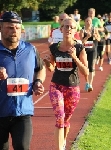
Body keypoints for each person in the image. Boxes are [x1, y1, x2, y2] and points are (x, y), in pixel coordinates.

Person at [0, 11, 46, 150]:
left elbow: (40, 68)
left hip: (23, 112)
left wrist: (38, 82)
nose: (14, 31)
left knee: (22, 146)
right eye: (9, 27)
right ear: (1, 28)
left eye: (17, 28)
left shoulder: (30, 49)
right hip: (1, 112)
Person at [44, 17, 89, 150]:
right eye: (66, 26)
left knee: (66, 120)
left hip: (72, 88)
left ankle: (62, 142)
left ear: (75, 30)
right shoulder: (54, 47)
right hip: (56, 85)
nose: (68, 29)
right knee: (60, 117)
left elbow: (86, 72)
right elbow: (51, 68)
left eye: (71, 27)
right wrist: (47, 62)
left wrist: (74, 57)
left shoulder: (80, 47)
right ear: (61, 29)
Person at [79, 16, 100, 92]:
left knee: (91, 67)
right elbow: (81, 42)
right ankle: (87, 81)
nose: (88, 22)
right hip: (84, 51)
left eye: (90, 21)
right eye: (87, 21)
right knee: (85, 67)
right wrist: (87, 37)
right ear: (85, 22)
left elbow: (99, 39)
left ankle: (89, 84)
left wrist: (95, 36)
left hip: (93, 50)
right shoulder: (82, 30)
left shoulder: (94, 29)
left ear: (92, 22)